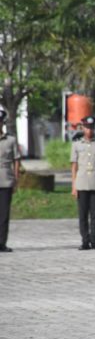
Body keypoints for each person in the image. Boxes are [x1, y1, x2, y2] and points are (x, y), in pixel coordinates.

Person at [70, 116, 95, 250]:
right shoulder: (77, 144)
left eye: (91, 127)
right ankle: (85, 240)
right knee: (83, 214)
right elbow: (74, 166)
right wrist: (74, 186)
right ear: (82, 128)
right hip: (81, 183)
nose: (89, 130)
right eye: (87, 127)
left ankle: (94, 240)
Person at [0, 107, 20, 252]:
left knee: (4, 214)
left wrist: (16, 179)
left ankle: (2, 242)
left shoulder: (10, 140)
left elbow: (16, 160)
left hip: (6, 180)